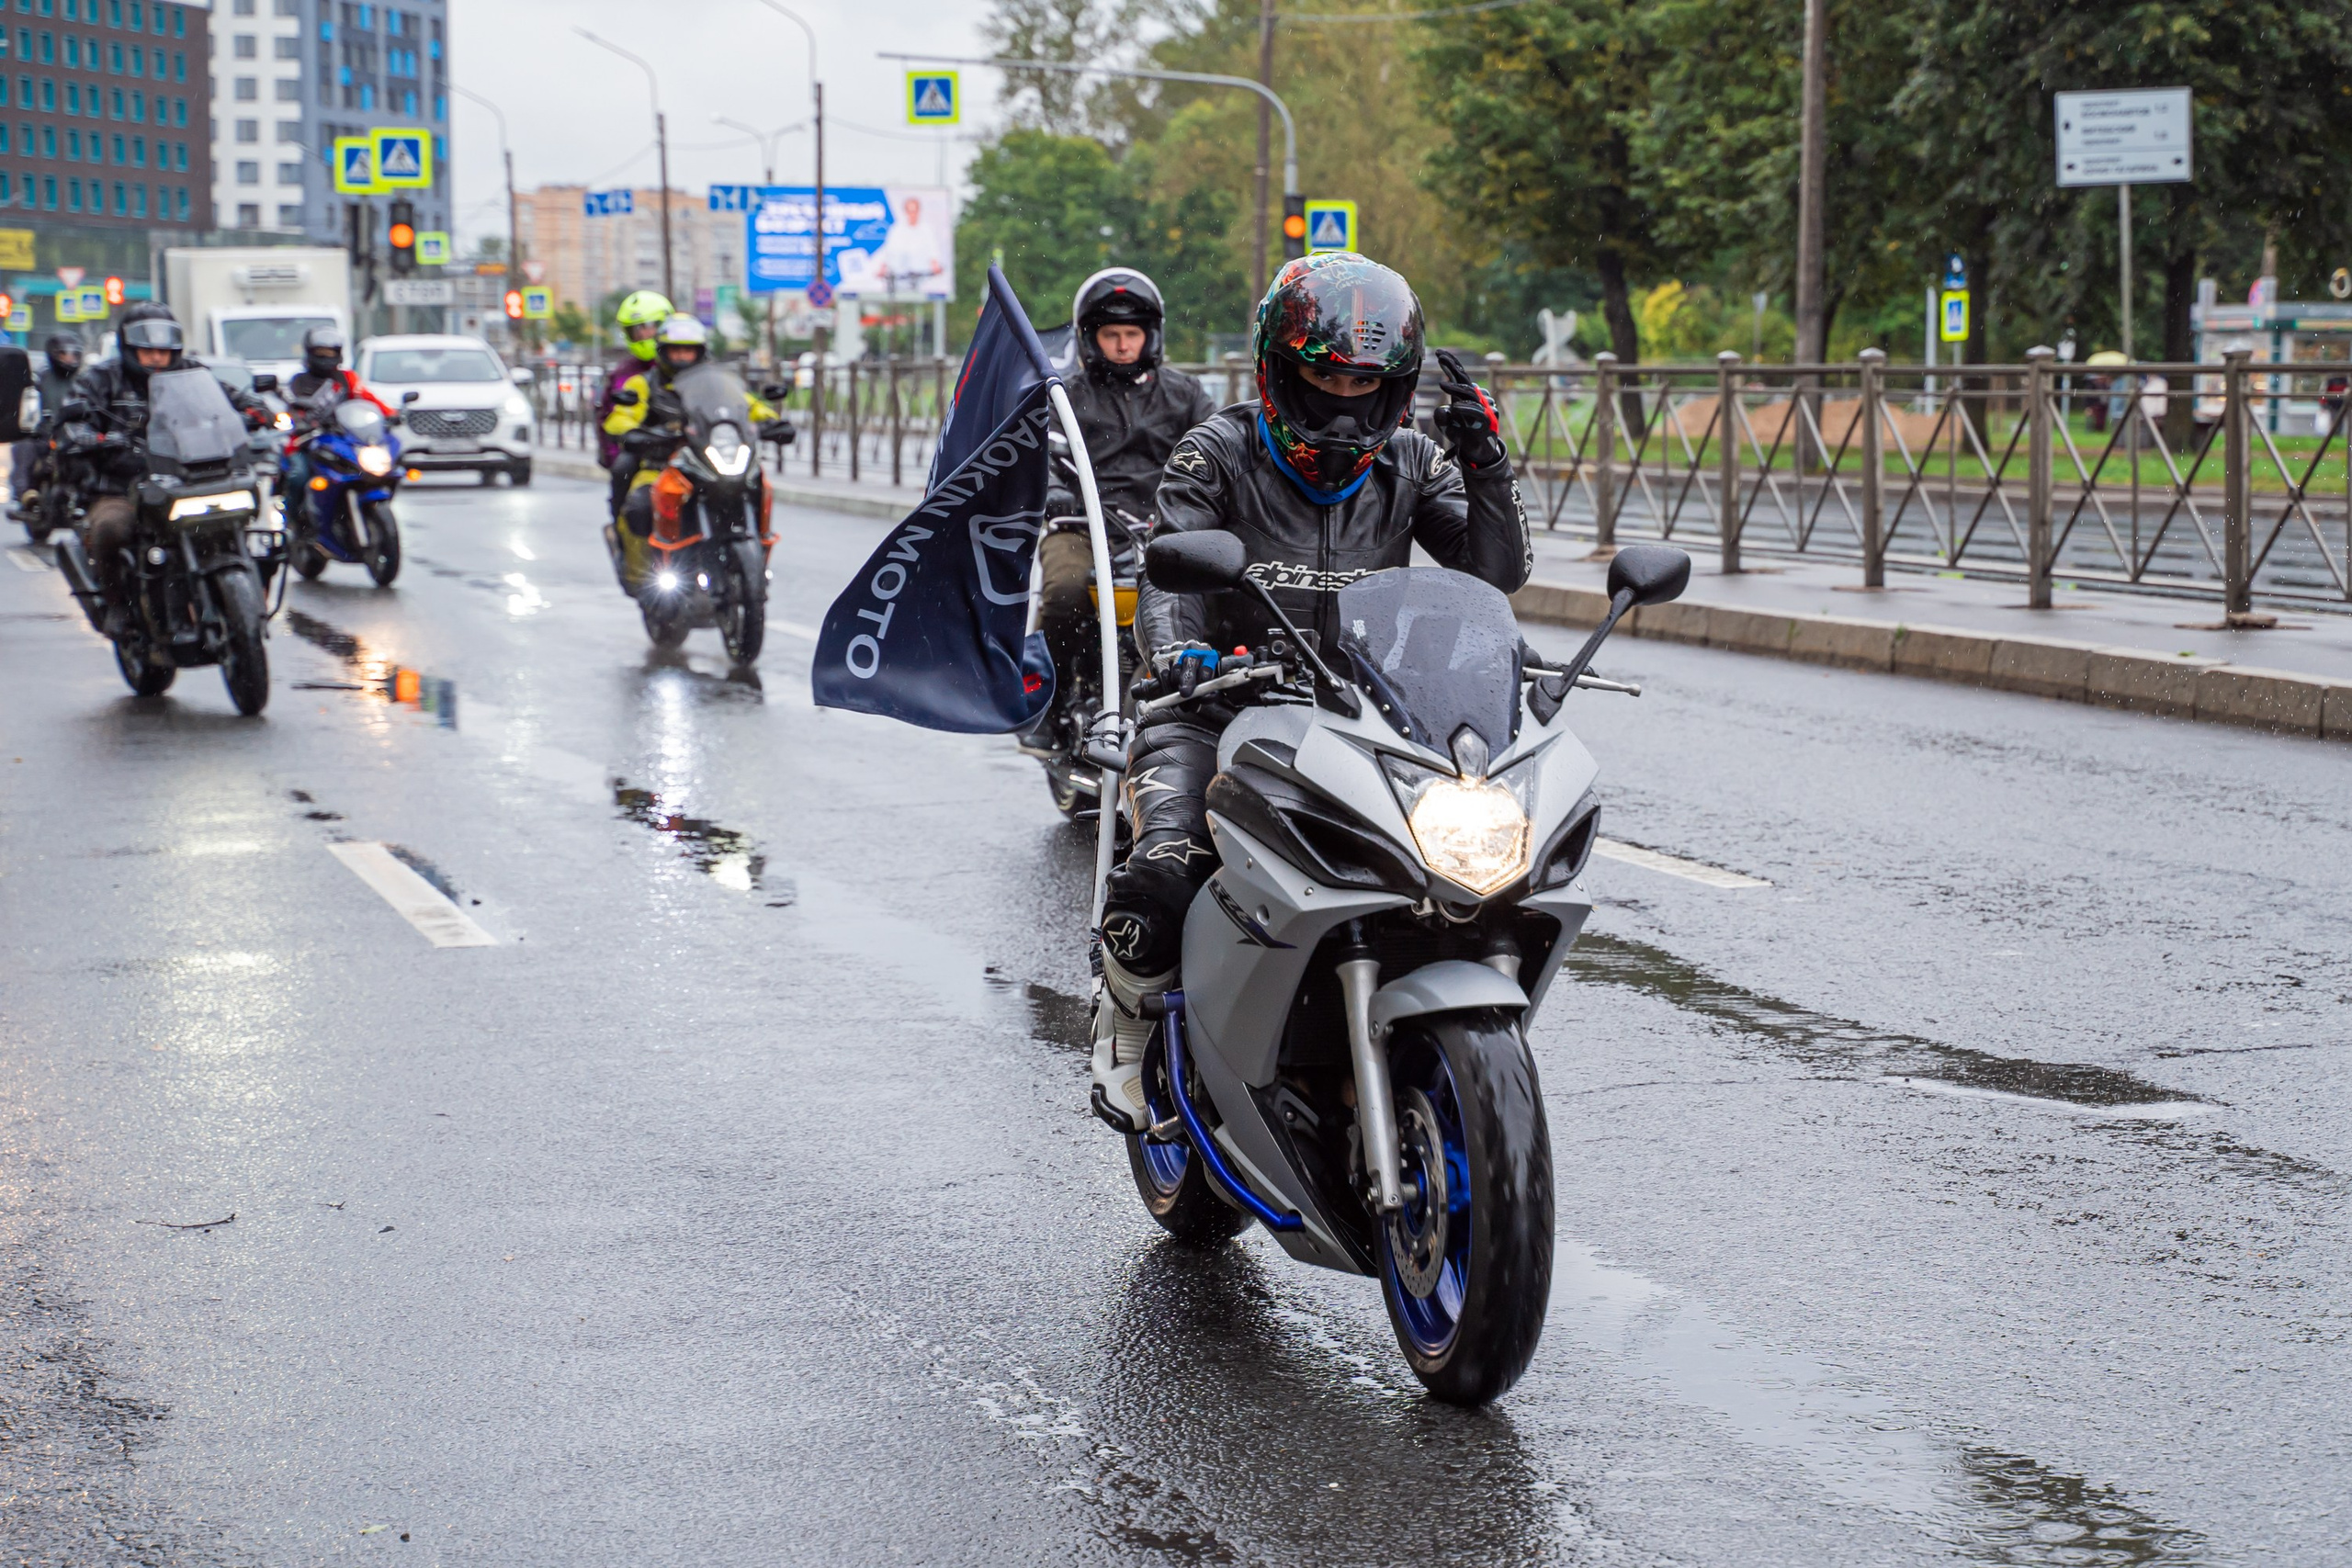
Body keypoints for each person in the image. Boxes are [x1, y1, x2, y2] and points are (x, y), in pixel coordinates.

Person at [1088, 253, 1531, 1129]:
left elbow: (1494, 576)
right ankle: (1127, 1026)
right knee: (1167, 870)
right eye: (1325, 376)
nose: (1343, 401)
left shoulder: (1414, 462)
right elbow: (1167, 575)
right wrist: (1179, 655)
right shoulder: (1217, 449)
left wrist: (1486, 465)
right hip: (1214, 706)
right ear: (1280, 369)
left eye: (1366, 382)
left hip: (1363, 716)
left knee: (1460, 872)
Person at [1024, 268, 1220, 740]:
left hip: (1168, 528)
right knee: (1065, 589)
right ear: (1089, 338)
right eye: (1110, 334)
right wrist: (1053, 491)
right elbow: (1040, 452)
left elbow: (1219, 452)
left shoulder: (1187, 395)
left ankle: (1208, 701)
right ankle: (1043, 699)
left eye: (1132, 333)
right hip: (1081, 524)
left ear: (1151, 335)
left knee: (1220, 593)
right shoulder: (1064, 395)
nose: (1122, 345)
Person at [67, 304, 270, 628]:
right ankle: (118, 604)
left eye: (163, 351)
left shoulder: (193, 374)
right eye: (147, 351)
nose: (156, 358)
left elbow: (233, 399)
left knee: (247, 519)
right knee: (112, 528)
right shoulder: (101, 378)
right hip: (122, 488)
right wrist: (91, 437)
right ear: (129, 348)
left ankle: (246, 595)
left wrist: (258, 410)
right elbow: (72, 421)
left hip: (190, 479)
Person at [599, 314, 781, 588]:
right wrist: (632, 432)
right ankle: (640, 576)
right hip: (661, 466)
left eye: (689, 350)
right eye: (676, 350)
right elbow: (621, 416)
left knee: (756, 484)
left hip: (708, 461)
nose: (682, 357)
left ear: (700, 352)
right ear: (663, 352)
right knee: (640, 506)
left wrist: (771, 422)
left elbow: (748, 405)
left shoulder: (717, 383)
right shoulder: (643, 383)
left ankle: (753, 555)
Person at [596, 290, 675, 515]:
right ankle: (621, 524)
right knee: (623, 471)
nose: (643, 335)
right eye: (635, 330)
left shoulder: (689, 363)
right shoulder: (624, 373)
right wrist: (624, 444)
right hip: (646, 448)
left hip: (691, 443)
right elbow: (611, 417)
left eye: (648, 327)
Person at [9, 333, 84, 514]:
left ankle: (89, 496)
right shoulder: (39, 380)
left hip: (75, 436)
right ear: (53, 354)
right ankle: (26, 493)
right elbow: (27, 407)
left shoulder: (85, 381)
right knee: (24, 446)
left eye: (74, 355)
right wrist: (33, 425)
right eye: (64, 354)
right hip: (44, 435)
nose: (70, 359)